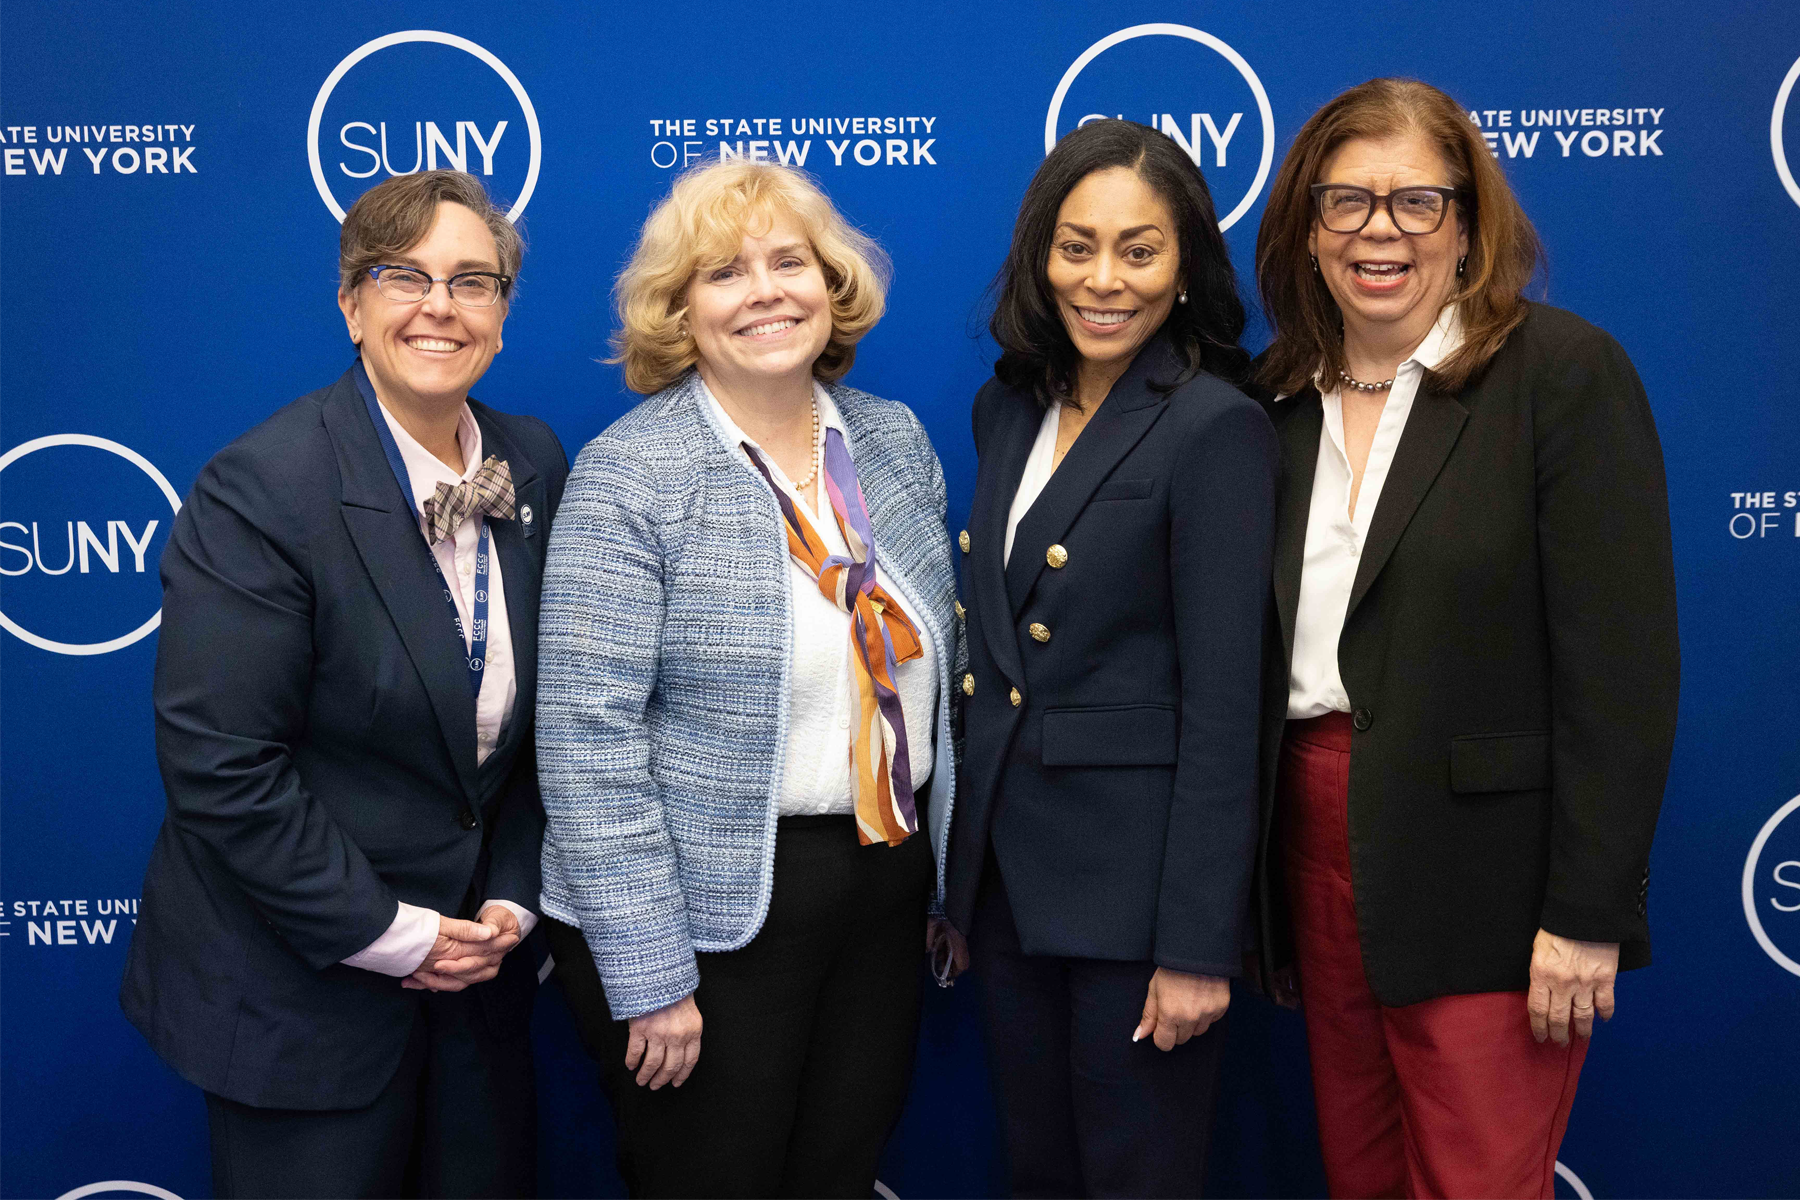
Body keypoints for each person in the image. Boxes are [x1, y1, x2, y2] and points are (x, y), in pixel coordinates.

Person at [1248, 78, 1680, 1199]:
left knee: (1478, 1180)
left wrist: (1586, 914)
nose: (1377, 231)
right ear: (1305, 225)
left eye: (1415, 202)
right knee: (1363, 1171)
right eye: (1344, 202)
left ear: (1471, 225)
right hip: (1314, 840)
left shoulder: (1561, 376)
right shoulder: (1273, 401)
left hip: (1491, 875)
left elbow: (1621, 672)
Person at [119, 170, 567, 1199]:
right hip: (297, 991)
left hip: (478, 991)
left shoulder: (534, 461)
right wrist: (393, 934)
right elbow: (222, 765)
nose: (439, 306)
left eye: (473, 280)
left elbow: (558, 723)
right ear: (350, 302)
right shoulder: (265, 488)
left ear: (503, 310)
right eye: (402, 276)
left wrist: (513, 892)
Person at [536, 159, 959, 1199]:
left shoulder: (894, 441)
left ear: (832, 283)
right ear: (680, 310)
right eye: (724, 272)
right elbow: (587, 747)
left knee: (841, 1173)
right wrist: (650, 974)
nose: (767, 290)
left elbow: (939, 682)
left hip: (878, 884)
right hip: (706, 915)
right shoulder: (631, 474)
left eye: (789, 262)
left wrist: (948, 877)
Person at [940, 118, 1276, 1198]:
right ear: (1041, 253)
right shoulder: (1007, 407)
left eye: (1140, 250)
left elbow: (1228, 707)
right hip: (1005, 888)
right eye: (1076, 245)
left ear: (1186, 268)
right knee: (1037, 1172)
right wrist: (957, 884)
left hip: (1136, 903)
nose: (1104, 280)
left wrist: (1196, 946)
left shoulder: (1214, 426)